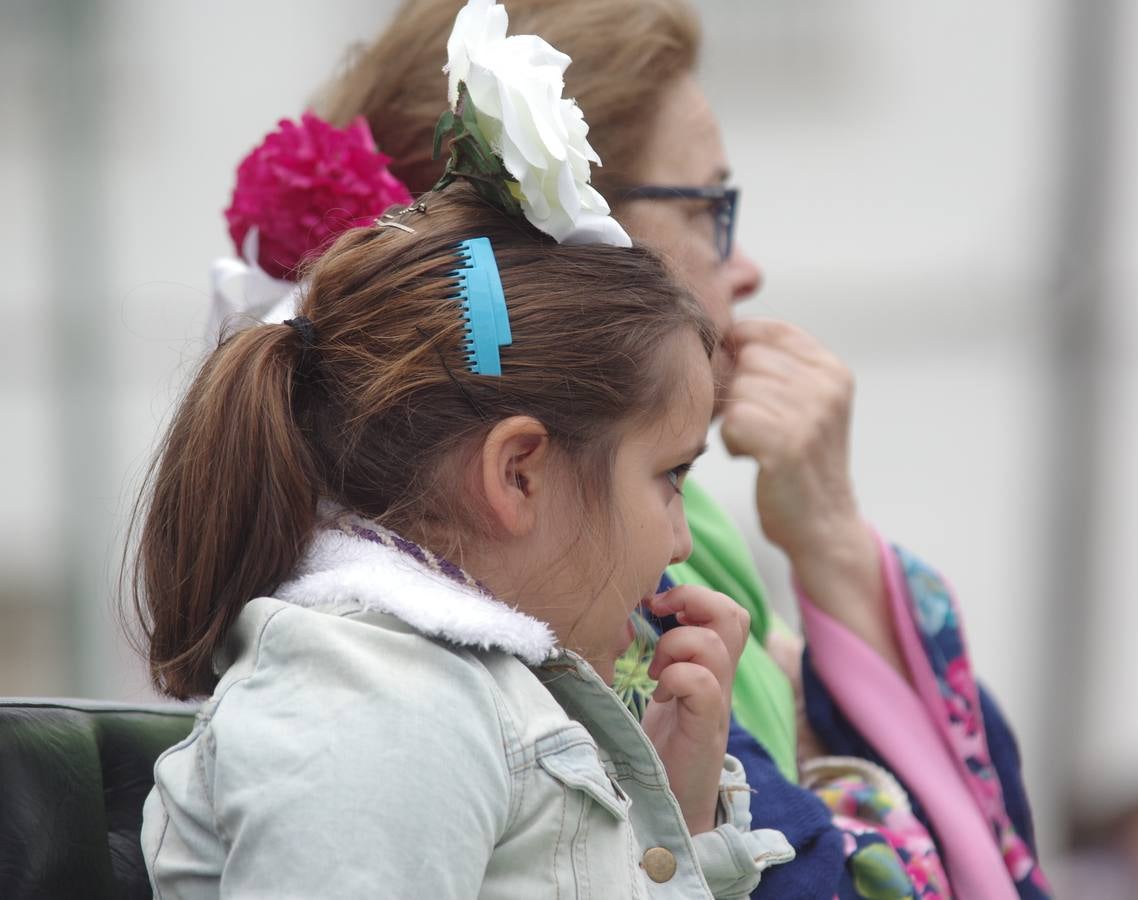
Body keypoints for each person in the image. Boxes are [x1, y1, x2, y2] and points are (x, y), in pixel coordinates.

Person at [209, 1, 1055, 896]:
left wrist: (831, 540)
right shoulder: (506, 622)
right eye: (710, 206)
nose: (749, 263)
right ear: (562, 248)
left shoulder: (600, 551)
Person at [134, 85, 802, 893]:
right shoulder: (386, 710)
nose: (682, 540)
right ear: (518, 472)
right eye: (670, 477)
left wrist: (681, 817)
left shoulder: (438, 696)